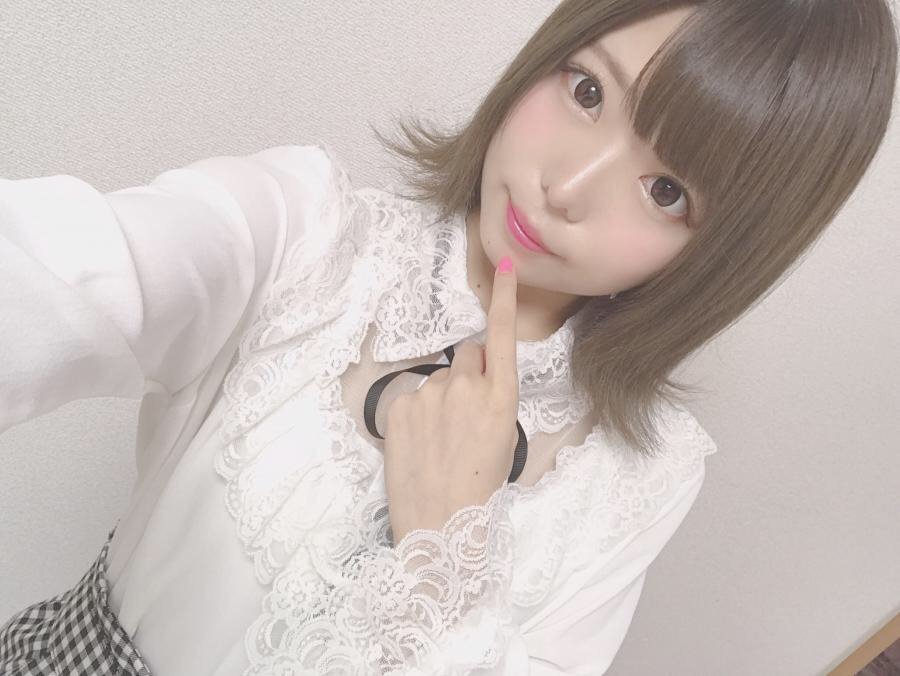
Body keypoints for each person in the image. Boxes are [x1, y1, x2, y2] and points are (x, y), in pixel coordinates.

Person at [0, 0, 896, 673]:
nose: (566, 187)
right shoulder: (306, 236)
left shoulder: (642, 477)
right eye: (586, 91)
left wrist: (440, 549)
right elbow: (58, 274)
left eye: (668, 190)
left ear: (726, 249)